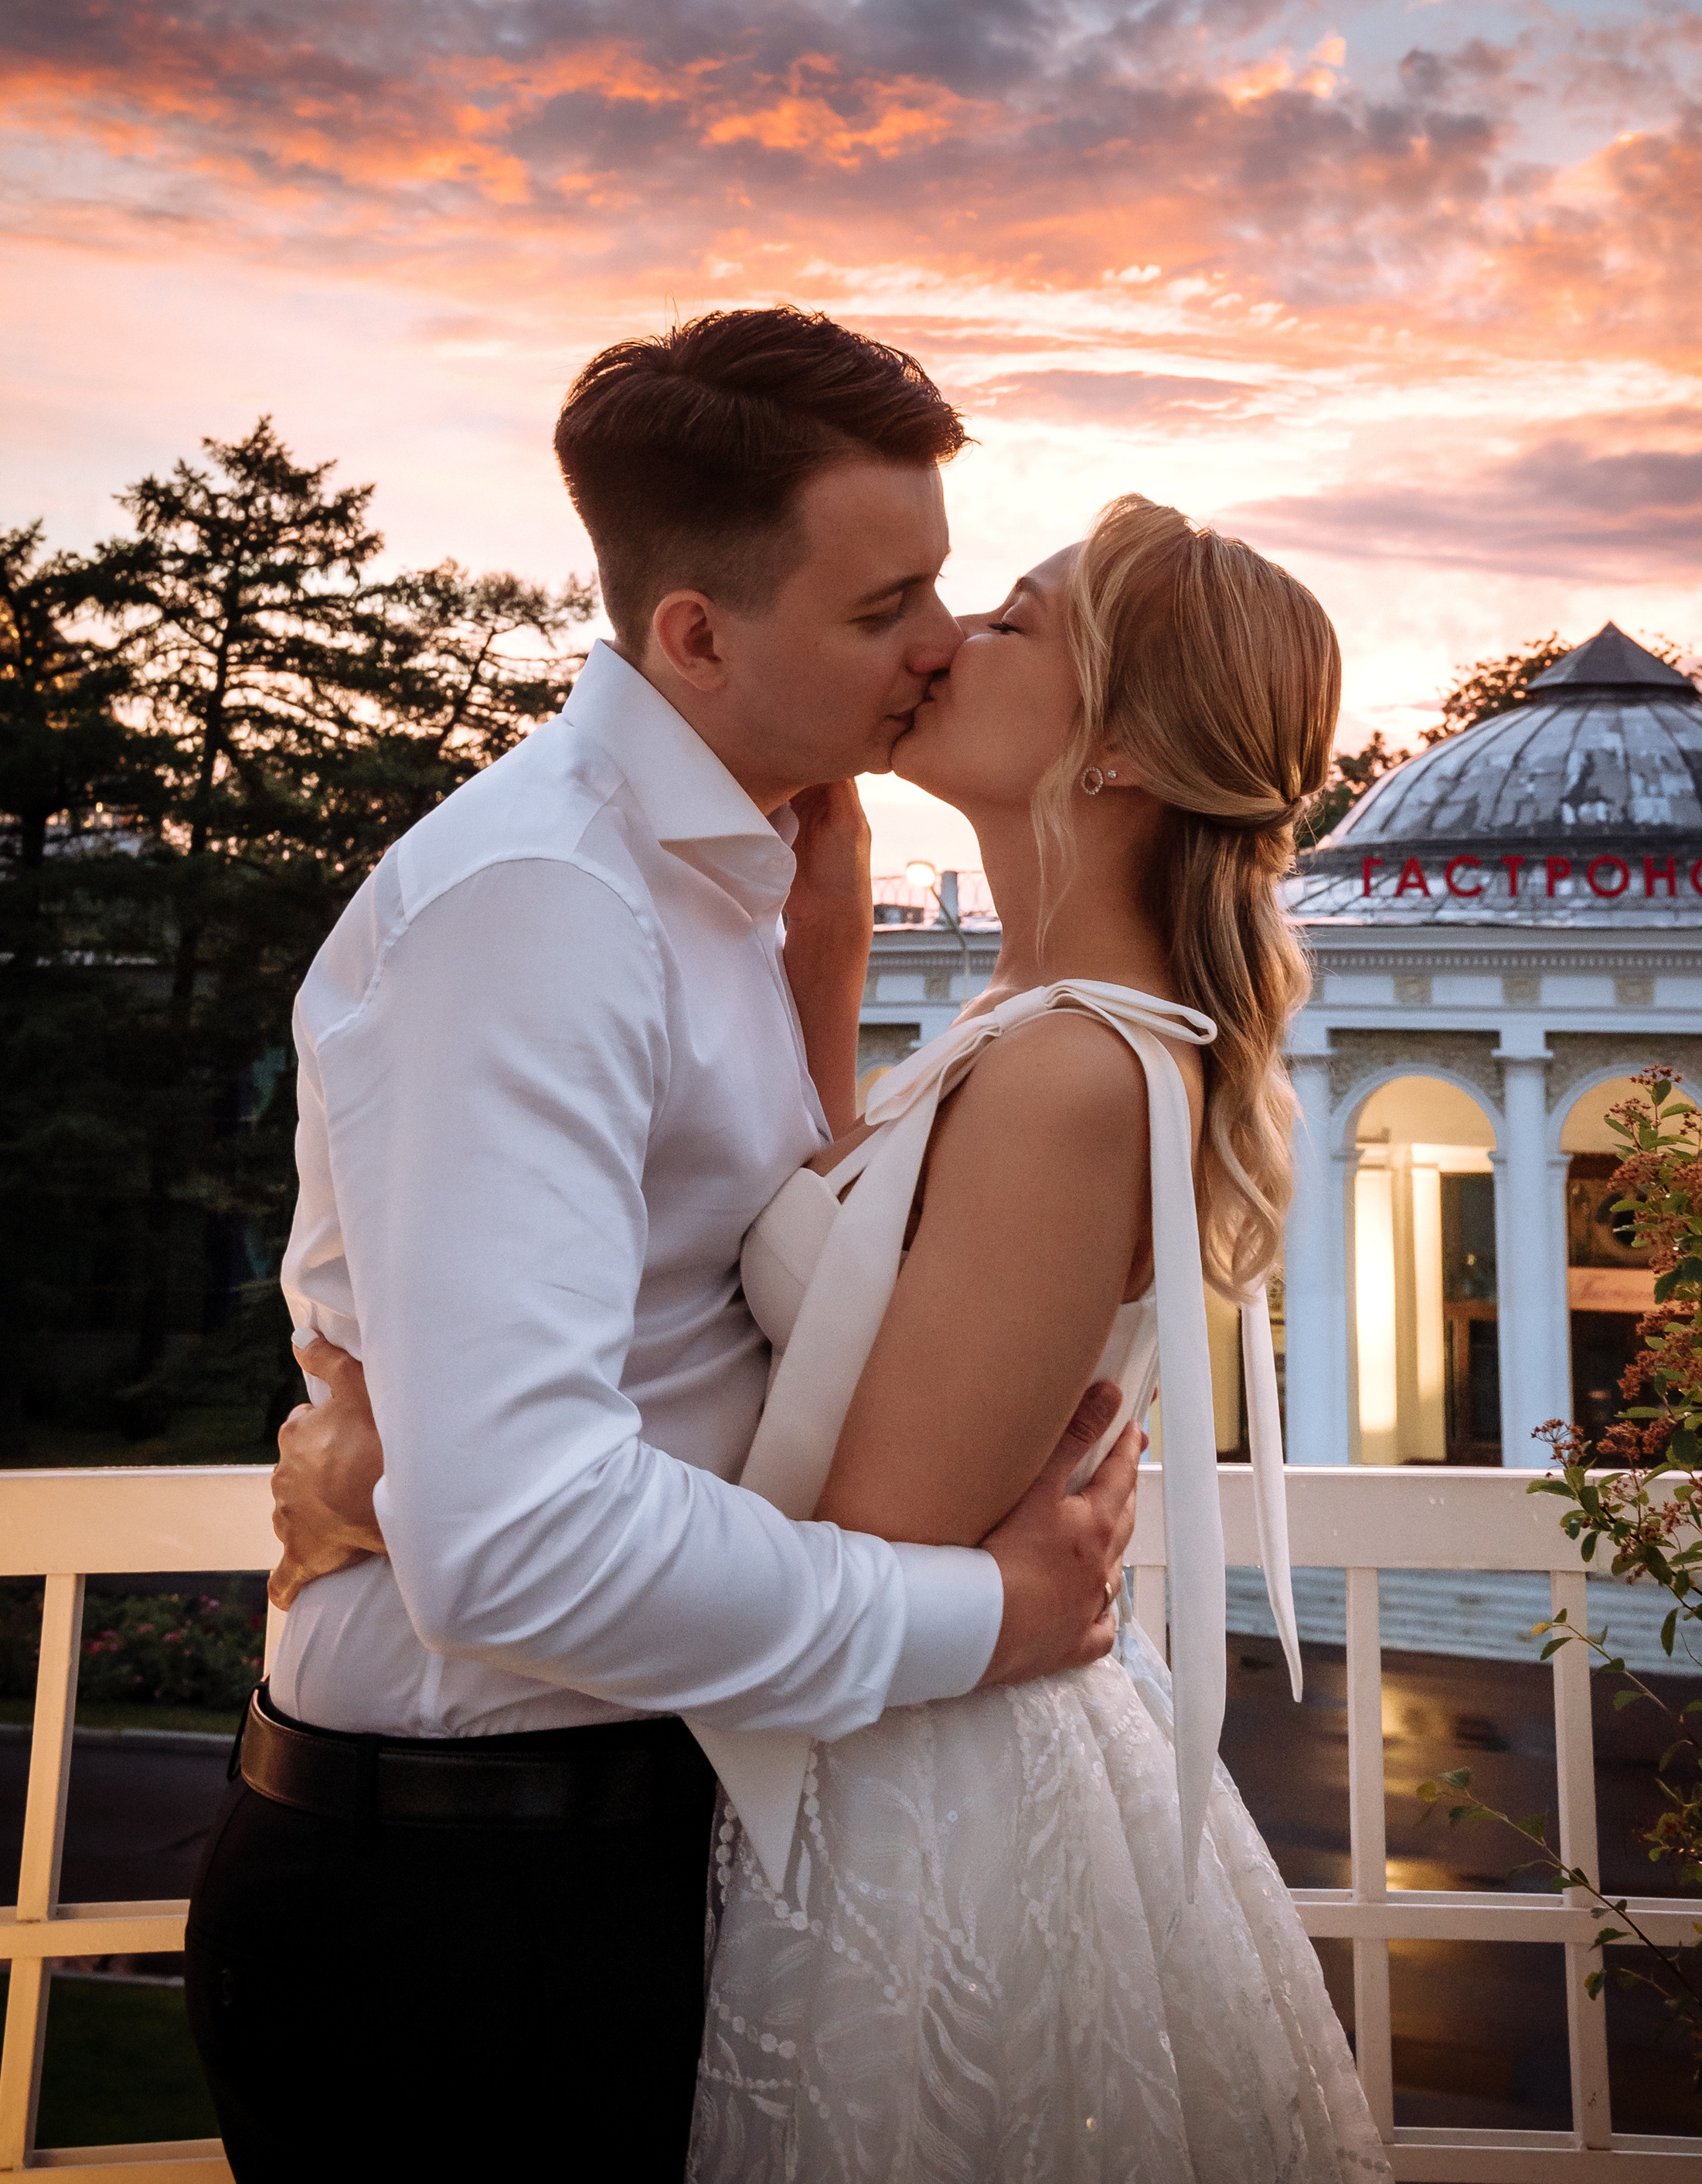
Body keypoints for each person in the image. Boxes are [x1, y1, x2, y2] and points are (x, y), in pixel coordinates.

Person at [279, 493, 1392, 2180]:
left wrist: (408, 1492)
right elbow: (820, 1269)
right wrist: (827, 939)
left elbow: (864, 1531)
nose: (945, 641)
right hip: (861, 1748)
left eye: (1011, 622)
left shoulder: (1074, 1073)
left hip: (924, 1791)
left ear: (1122, 757)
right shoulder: (1014, 1030)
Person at [185, 310, 1140, 2184]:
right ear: (694, 634)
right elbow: (522, 1536)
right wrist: (991, 1618)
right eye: (884, 609)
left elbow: (705, 1332)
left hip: (620, 1836)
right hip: (467, 1903)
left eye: (940, 583)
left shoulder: (729, 882)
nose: (938, 642)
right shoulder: (544, 906)